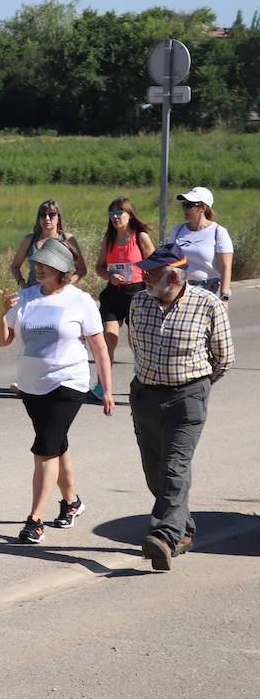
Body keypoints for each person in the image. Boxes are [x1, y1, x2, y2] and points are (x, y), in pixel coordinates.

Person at [0, 238, 114, 544]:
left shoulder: (80, 301)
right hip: (32, 386)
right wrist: (0, 313)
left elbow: (99, 348)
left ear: (61, 271)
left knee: (45, 448)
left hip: (69, 383)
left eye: (44, 266)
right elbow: (3, 340)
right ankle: (72, 501)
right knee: (56, 443)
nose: (37, 270)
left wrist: (107, 389)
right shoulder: (25, 298)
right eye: (36, 265)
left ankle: (34, 521)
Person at [127, 242, 233, 571]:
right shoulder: (139, 302)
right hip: (145, 394)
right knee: (155, 471)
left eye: (152, 274)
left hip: (187, 397)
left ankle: (164, 536)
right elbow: (135, 344)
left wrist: (195, 387)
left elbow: (224, 358)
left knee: (174, 467)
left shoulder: (207, 305)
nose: (144, 278)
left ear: (173, 279)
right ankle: (184, 530)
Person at [93, 198, 154, 395]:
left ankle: (146, 383)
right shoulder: (109, 239)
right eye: (112, 213)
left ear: (130, 214)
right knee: (107, 339)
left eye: (120, 213)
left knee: (135, 342)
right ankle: (102, 386)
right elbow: (99, 266)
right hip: (113, 293)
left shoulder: (140, 237)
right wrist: (110, 277)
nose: (116, 217)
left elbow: (155, 264)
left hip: (136, 293)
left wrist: (148, 276)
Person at [167, 187, 234, 302]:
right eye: (184, 204)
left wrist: (224, 297)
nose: (185, 209)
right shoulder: (177, 231)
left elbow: (226, 268)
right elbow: (170, 262)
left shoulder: (218, 232)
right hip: (183, 289)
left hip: (210, 290)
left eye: (190, 205)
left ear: (203, 207)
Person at [9, 199, 88, 287]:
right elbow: (15, 267)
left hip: (59, 294)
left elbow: (81, 270)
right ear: (39, 218)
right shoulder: (30, 239)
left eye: (51, 215)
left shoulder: (68, 239)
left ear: (59, 217)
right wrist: (23, 284)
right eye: (43, 215)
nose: (47, 218)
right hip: (34, 293)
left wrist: (66, 285)